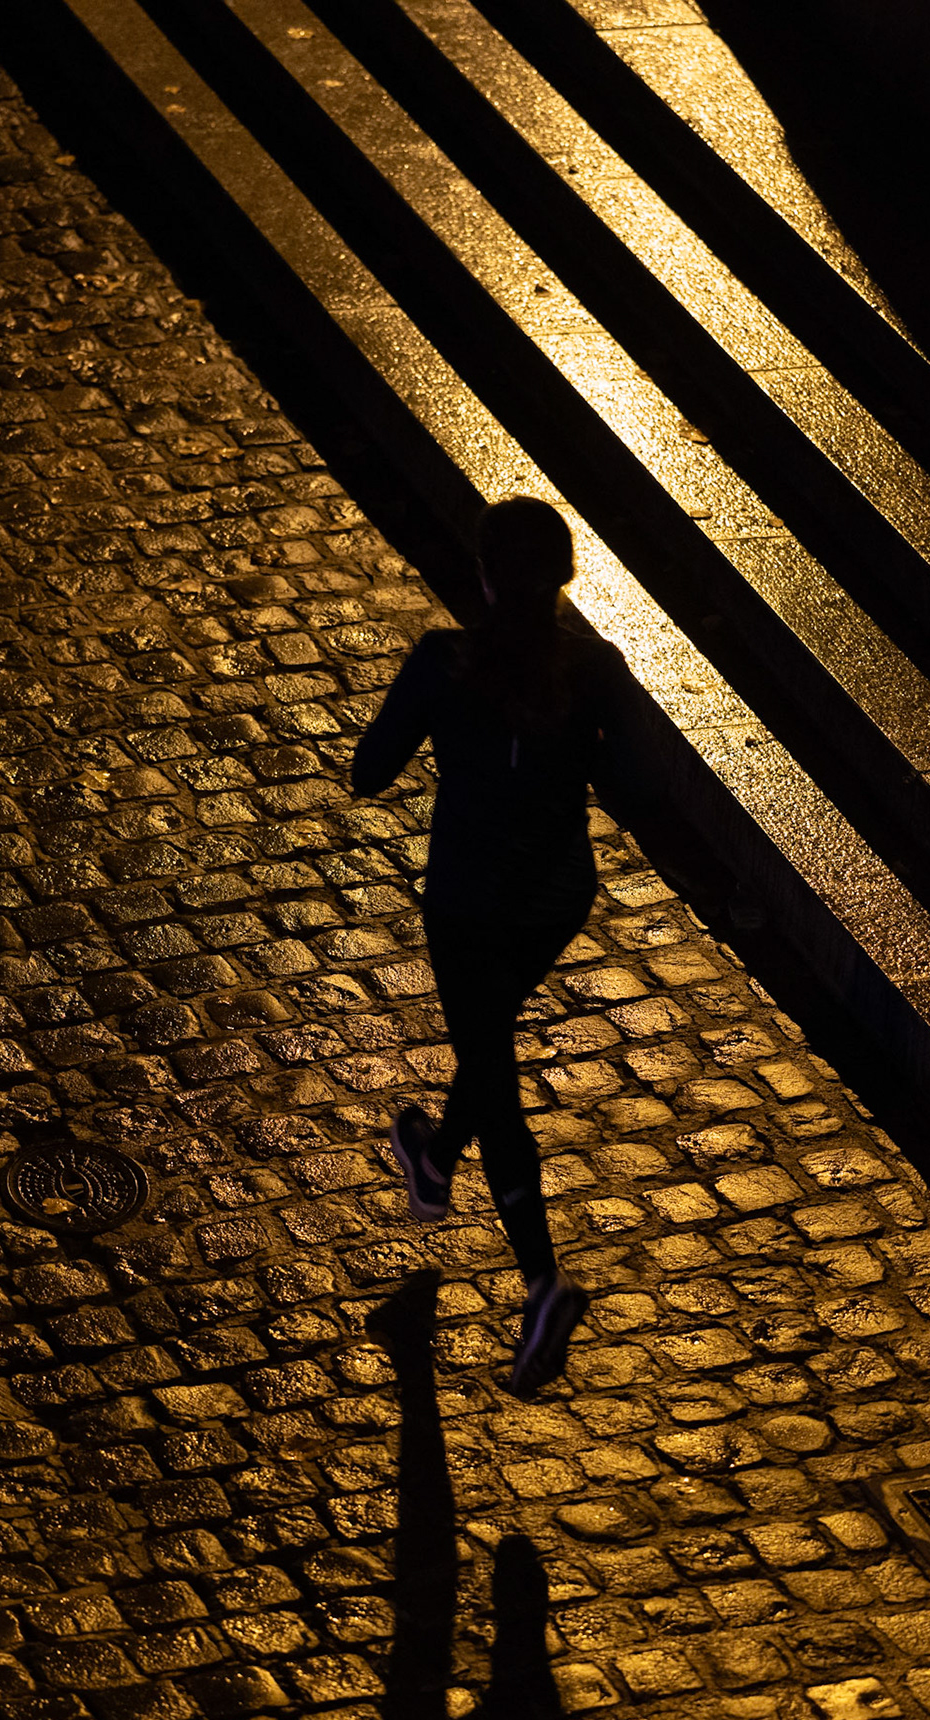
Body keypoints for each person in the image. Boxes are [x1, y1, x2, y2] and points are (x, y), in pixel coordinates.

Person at [351, 497, 658, 1398]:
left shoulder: (445, 663)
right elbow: (634, 781)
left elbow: (370, 773)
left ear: (483, 578)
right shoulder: (598, 668)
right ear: (565, 580)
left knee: (491, 1067)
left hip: (469, 903)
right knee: (486, 1045)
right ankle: (436, 1159)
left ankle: (542, 1283)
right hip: (553, 898)